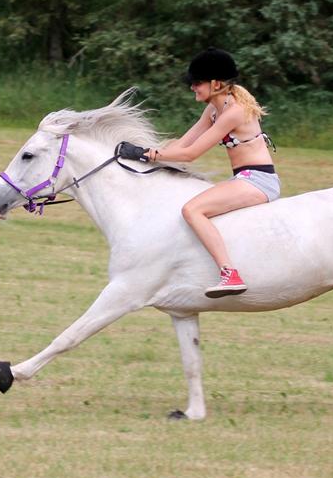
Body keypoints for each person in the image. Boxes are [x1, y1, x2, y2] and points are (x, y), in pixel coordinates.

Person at [116, 48, 281, 297]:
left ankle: (230, 274)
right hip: (243, 178)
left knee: (192, 209)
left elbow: (191, 154)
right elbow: (183, 143)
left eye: (197, 82)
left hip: (258, 181)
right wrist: (151, 156)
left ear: (216, 84)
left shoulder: (233, 112)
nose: (193, 87)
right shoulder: (214, 109)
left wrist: (148, 154)